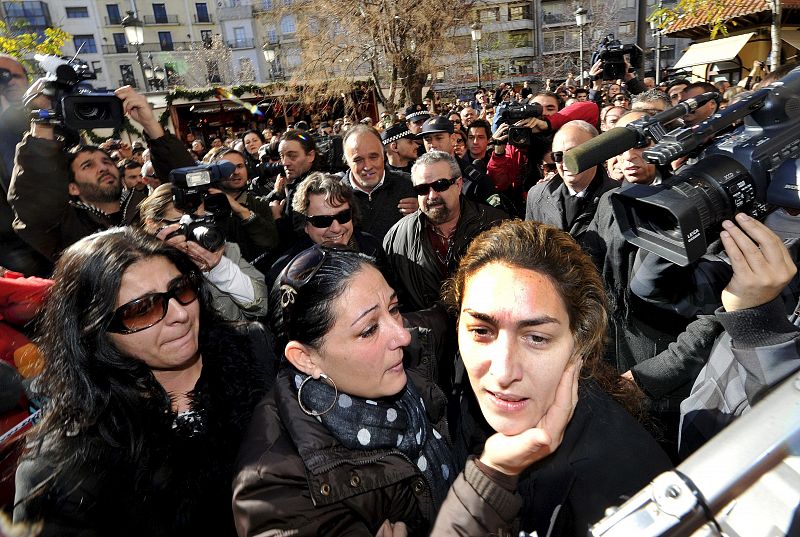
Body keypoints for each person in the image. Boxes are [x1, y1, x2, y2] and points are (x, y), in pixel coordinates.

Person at [14, 228, 275, 536]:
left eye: (182, 288)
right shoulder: (64, 470)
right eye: (142, 309)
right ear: (94, 332)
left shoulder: (256, 353)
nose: (179, 313)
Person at [432, 220, 672, 536]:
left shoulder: (628, 483)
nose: (502, 373)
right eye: (481, 330)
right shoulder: (462, 378)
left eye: (537, 338)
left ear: (580, 339)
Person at [233, 245, 456, 536]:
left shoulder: (386, 355)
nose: (402, 336)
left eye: (394, 308)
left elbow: (445, 316)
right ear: (306, 358)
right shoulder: (273, 484)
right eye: (368, 330)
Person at [383, 151, 506, 312]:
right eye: (422, 189)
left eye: (440, 185)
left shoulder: (498, 226)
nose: (432, 195)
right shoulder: (397, 238)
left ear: (459, 184)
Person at [138, 183, 269, 321]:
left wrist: (220, 269)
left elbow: (262, 306)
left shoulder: (223, 251)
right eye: (181, 221)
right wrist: (161, 260)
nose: (193, 229)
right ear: (153, 224)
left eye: (199, 220)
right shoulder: (137, 266)